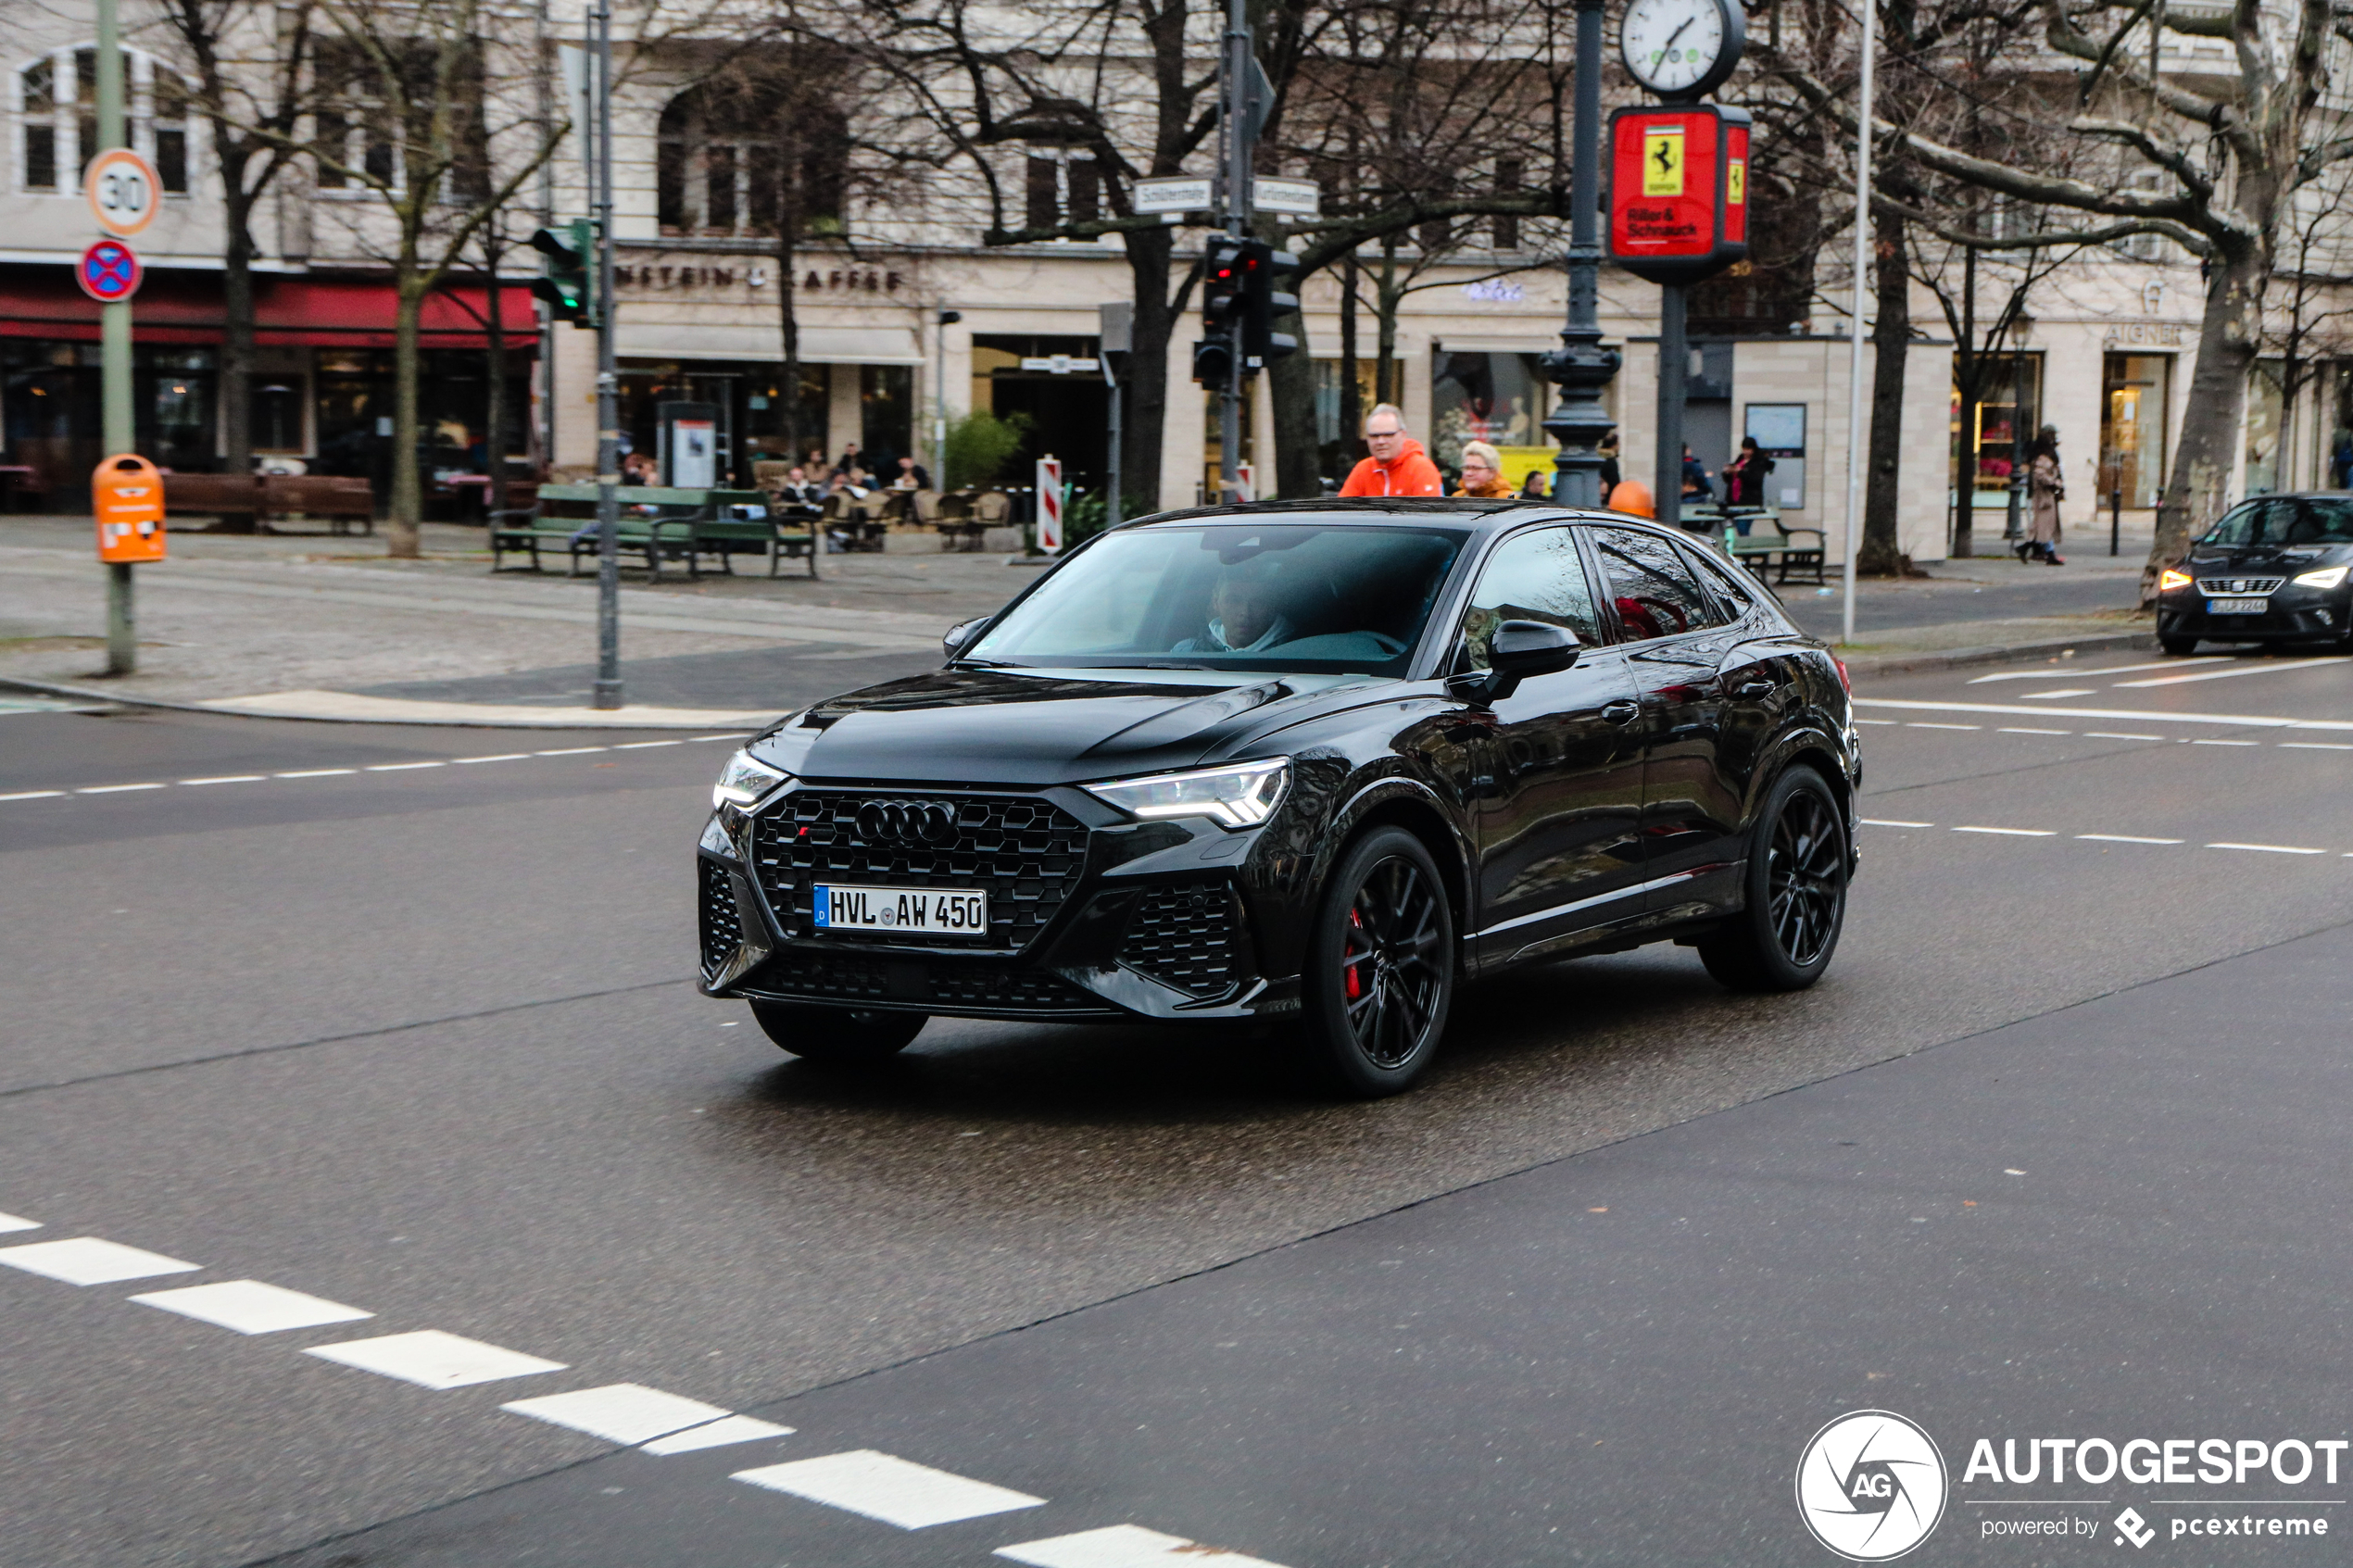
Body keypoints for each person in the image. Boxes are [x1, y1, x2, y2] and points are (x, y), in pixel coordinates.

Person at [1173, 567, 1295, 654]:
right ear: (1216, 602)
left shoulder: (1297, 653)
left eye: (1257, 602)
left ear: (1271, 605)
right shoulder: (1187, 652)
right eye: (1233, 601)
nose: (1245, 613)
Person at [1339, 404, 1445, 496]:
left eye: (1388, 435)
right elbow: (1341, 513)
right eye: (1374, 436)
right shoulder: (1363, 470)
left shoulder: (1421, 469)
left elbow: (1427, 517)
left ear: (1403, 435)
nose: (1380, 441)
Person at [2025, 427, 2065, 565]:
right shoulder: (2043, 456)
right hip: (2044, 496)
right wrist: (2054, 483)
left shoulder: (2045, 453)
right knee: (2045, 525)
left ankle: (2037, 550)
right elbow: (2040, 474)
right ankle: (2049, 554)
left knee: (2042, 525)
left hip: (2046, 495)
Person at [1721, 436, 1775, 508]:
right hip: (1733, 500)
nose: (1745, 452)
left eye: (1748, 449)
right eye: (1744, 449)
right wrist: (1727, 472)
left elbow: (1756, 479)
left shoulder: (1759, 461)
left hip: (1749, 501)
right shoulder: (1741, 458)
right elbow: (1729, 479)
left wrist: (1740, 472)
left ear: (1753, 449)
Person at [1599, 429, 1621, 493]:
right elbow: (1615, 484)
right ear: (1613, 446)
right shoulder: (1611, 461)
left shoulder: (1599, 458)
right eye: (1618, 444)